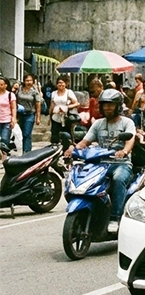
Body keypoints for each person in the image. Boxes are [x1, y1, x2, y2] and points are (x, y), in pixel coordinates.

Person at [65, 88, 137, 234]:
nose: (107, 107)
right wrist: (73, 149)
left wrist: (123, 151)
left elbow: (130, 141)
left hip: (121, 164)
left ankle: (115, 218)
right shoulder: (98, 123)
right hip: (100, 163)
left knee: (118, 179)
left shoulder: (127, 123)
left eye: (111, 104)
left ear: (118, 106)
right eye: (105, 105)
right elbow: (85, 141)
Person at [15, 74, 44, 153]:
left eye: (30, 80)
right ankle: (21, 149)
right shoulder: (19, 89)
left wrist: (38, 118)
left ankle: (27, 151)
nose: (29, 82)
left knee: (27, 133)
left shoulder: (34, 91)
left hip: (30, 114)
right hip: (20, 114)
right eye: (27, 80)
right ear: (24, 81)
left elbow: (38, 105)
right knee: (20, 133)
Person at [49, 75, 79, 146]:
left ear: (66, 84)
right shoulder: (54, 93)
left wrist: (66, 107)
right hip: (55, 117)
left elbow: (77, 103)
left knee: (67, 136)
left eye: (62, 83)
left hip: (66, 118)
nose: (61, 84)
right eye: (59, 83)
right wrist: (49, 117)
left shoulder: (69, 92)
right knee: (55, 136)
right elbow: (52, 105)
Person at [0, 78, 16, 150]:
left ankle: (4, 158)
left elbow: (13, 108)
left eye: (1, 85)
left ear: (6, 85)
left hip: (6, 120)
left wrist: (13, 119)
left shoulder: (10, 95)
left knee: (4, 141)